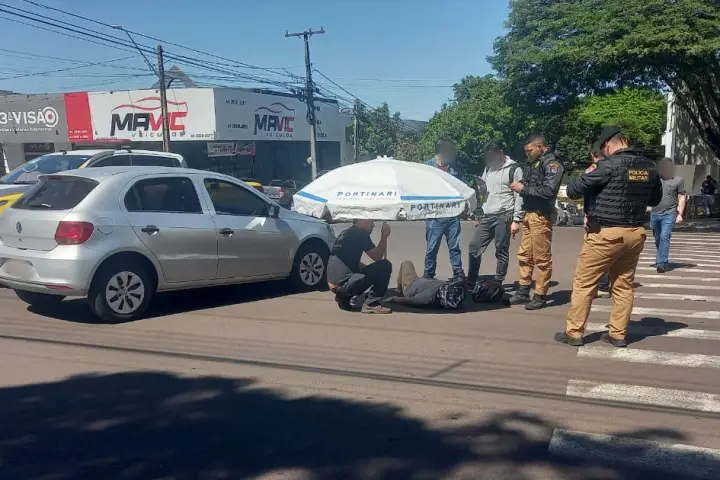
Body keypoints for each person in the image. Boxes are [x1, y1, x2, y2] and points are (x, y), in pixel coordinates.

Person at [555, 126, 662, 348]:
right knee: (624, 286)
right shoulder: (649, 166)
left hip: (606, 234)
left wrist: (590, 172)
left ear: (607, 145)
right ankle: (618, 334)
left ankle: (574, 332)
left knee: (584, 284)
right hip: (635, 234)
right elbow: (655, 199)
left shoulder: (607, 165)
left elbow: (574, 190)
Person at [508, 134, 565, 310]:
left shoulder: (552, 164)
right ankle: (523, 290)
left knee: (542, 258)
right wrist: (522, 184)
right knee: (525, 255)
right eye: (526, 151)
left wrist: (523, 189)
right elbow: (532, 182)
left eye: (529, 150)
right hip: (529, 213)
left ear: (540, 146)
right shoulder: (534, 163)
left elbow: (549, 191)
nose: (527, 154)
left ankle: (540, 295)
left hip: (541, 215)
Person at [467, 139, 524, 287]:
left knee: (501, 250)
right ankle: (471, 280)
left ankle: (498, 282)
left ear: (500, 152)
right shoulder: (489, 168)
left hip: (504, 215)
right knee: (474, 246)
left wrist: (516, 220)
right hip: (487, 215)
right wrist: (480, 185)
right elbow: (485, 192)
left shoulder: (514, 169)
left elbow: (519, 195)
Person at [327, 219, 393, 314]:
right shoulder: (360, 233)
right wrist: (384, 236)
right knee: (385, 265)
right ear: (361, 221)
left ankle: (343, 297)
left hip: (333, 284)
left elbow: (348, 262)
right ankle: (371, 303)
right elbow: (378, 256)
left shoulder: (345, 233)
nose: (373, 226)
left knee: (360, 268)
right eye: (371, 222)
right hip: (344, 285)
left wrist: (370, 274)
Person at [423, 138, 465, 281]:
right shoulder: (427, 168)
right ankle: (428, 275)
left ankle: (458, 274)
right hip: (434, 215)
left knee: (454, 247)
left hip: (452, 214)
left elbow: (460, 185)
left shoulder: (454, 167)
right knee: (432, 247)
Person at [585, 142, 612, 298]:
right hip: (612, 216)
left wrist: (586, 215)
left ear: (593, 155)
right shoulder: (614, 168)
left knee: (595, 254)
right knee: (608, 253)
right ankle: (604, 285)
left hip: (595, 215)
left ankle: (599, 285)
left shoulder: (592, 170)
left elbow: (586, 193)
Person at [650, 158, 686, 273]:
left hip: (669, 213)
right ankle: (661, 258)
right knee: (657, 238)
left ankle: (662, 263)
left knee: (664, 237)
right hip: (655, 213)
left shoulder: (678, 180)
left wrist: (680, 214)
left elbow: (681, 197)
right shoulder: (655, 179)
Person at [384, 261, 465, 309]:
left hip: (410, 285)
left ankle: (400, 288)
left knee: (406, 263)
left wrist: (393, 299)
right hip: (423, 282)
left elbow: (409, 300)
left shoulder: (426, 297)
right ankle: (400, 287)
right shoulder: (446, 286)